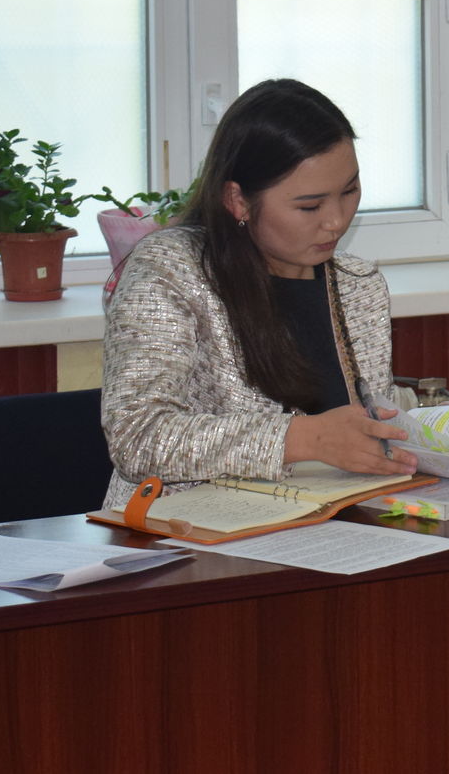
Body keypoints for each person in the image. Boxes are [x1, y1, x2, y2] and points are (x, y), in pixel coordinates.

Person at [101, 79, 417, 508]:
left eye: (349, 191)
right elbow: (137, 438)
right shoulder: (170, 269)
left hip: (325, 522)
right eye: (310, 206)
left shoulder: (358, 286)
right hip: (183, 531)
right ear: (238, 201)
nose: (336, 221)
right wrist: (304, 438)